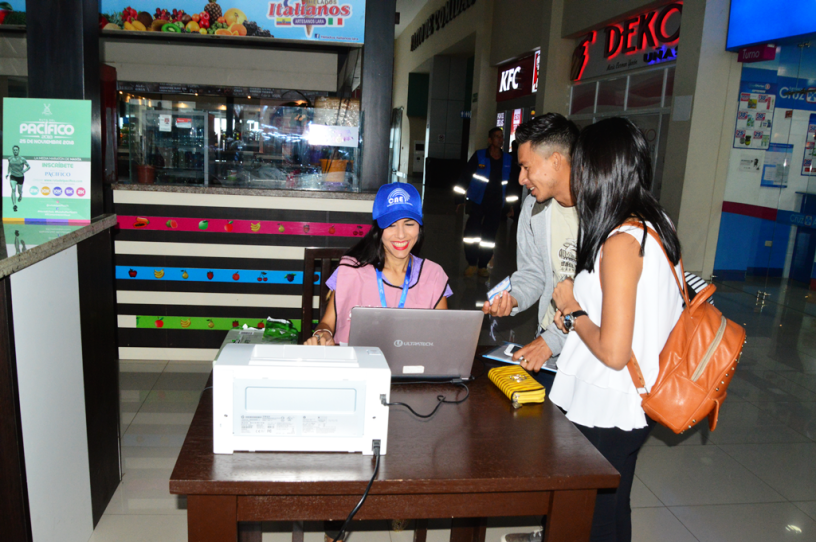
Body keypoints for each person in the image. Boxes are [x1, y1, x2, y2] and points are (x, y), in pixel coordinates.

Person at [510, 118, 685, 542]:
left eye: (582, 165)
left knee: (596, 518)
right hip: (626, 402)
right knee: (607, 507)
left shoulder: (622, 242)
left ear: (600, 169)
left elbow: (613, 351)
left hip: (611, 403)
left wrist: (571, 308)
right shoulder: (653, 222)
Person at [482, 114, 580, 377]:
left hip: (588, 355)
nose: (522, 178)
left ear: (556, 161)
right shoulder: (532, 210)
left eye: (527, 167)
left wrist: (552, 341)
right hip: (546, 350)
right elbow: (534, 273)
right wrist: (512, 297)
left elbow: (604, 302)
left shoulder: (599, 216)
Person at [305, 182, 452, 346]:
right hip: (359, 366)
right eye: (391, 225)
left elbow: (442, 336)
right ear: (378, 230)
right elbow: (327, 323)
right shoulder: (351, 270)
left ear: (420, 227)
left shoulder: (433, 275)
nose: (401, 234)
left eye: (409, 224)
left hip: (412, 369)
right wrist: (322, 334)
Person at [456, 127, 513, 278]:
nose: (500, 140)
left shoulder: (508, 159)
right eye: (497, 137)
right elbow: (465, 176)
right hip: (477, 201)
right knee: (471, 234)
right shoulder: (480, 156)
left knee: (488, 237)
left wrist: (510, 206)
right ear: (490, 140)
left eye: (501, 137)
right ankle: (472, 264)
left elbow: (511, 185)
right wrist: (459, 199)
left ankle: (482, 266)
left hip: (495, 204)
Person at [6, 145, 31, 213]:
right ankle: (14, 205)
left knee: (19, 190)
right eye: (14, 150)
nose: (15, 151)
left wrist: (24, 171)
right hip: (13, 176)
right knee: (13, 189)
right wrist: (8, 173)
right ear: (13, 151)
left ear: (18, 151)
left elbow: (28, 166)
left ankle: (20, 195)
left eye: (16, 150)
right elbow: (9, 167)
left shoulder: (22, 159)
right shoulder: (10, 158)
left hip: (20, 177)